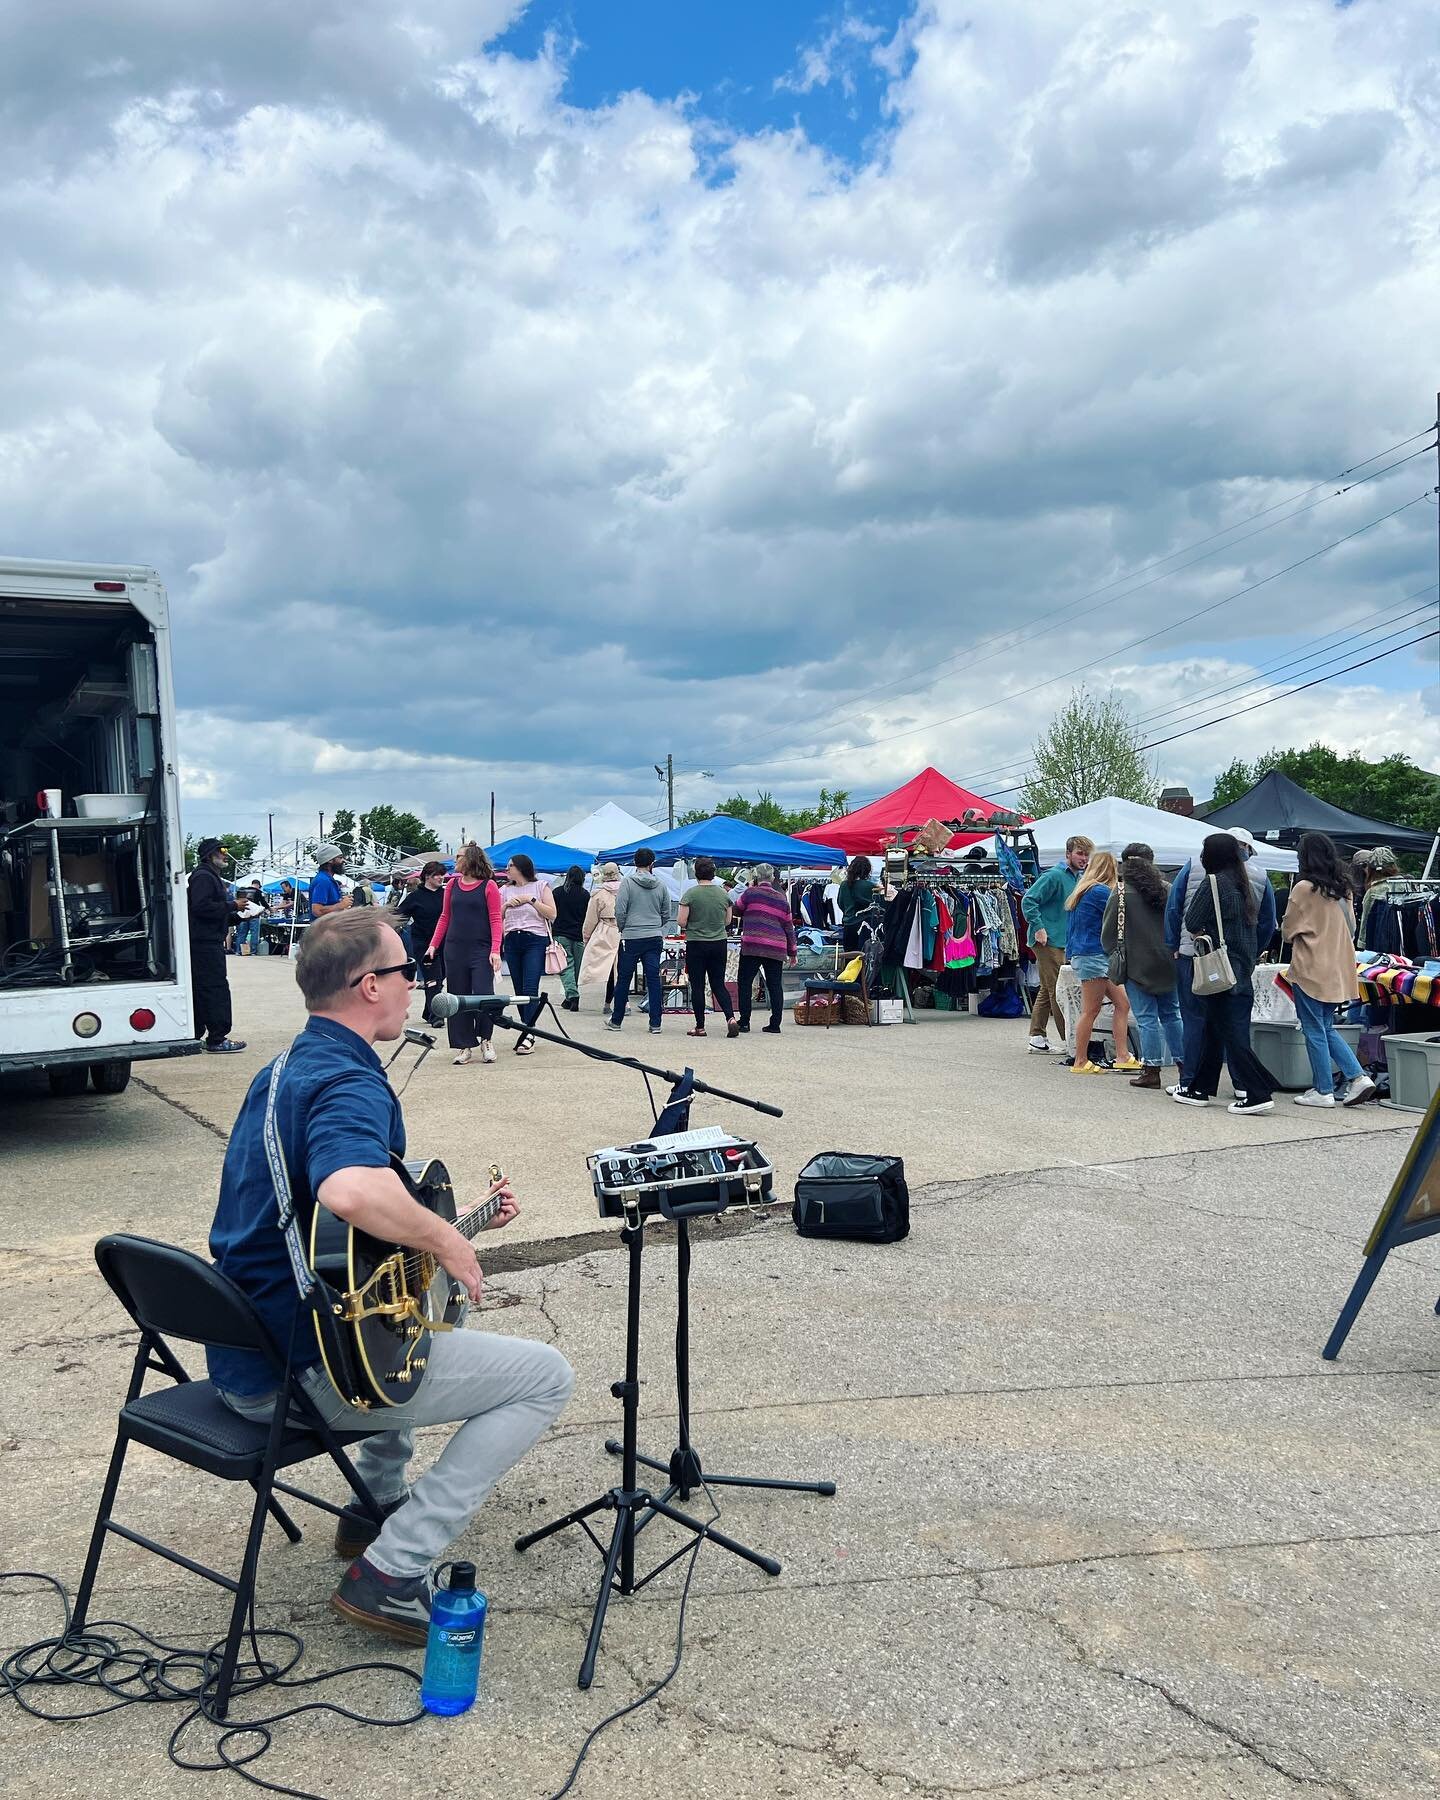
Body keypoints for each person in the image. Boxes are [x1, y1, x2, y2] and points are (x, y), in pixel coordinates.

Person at [207, 908, 573, 1645]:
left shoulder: (284, 1067)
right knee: (546, 1378)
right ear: (370, 985)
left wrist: (454, 1221)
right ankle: (392, 1569)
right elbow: (348, 1191)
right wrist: (446, 1239)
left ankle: (371, 1501)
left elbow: (334, 1216)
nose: (417, 984)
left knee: (429, 1303)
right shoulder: (348, 1080)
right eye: (408, 971)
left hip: (244, 1355)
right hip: (301, 1374)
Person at [1165, 826, 1276, 1092]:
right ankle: (1240, 1084)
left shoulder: (1198, 871)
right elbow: (1266, 922)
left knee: (1196, 1020)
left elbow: (1177, 909)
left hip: (1200, 957)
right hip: (1239, 960)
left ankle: (1192, 1081)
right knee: (1234, 1024)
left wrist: (1174, 944)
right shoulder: (1259, 876)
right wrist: (1252, 951)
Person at [1283, 833, 1376, 1108]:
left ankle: (1323, 1088)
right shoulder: (1343, 888)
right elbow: (1352, 928)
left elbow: (1288, 931)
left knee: (1313, 1028)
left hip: (1311, 965)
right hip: (1338, 965)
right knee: (1324, 1027)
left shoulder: (1303, 888)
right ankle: (1357, 1077)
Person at [1102, 843, 1183, 1089]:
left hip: (1136, 963)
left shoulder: (1121, 893)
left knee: (1147, 1018)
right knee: (1172, 1015)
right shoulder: (1168, 889)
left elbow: (1108, 934)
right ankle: (1185, 1066)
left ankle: (1152, 1070)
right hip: (1169, 961)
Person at [427, 844, 504, 1066]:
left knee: (483, 994)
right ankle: (463, 1045)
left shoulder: (489, 886)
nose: (455, 861)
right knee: (457, 997)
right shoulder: (452, 884)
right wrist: (434, 945)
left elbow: (495, 919)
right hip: (455, 949)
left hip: (480, 949)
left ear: (470, 859)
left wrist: (495, 949)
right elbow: (445, 916)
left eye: (458, 857)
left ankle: (486, 1039)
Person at [1063, 851, 1137, 1074]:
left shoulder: (1082, 890)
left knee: (1121, 1004)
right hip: (1094, 956)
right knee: (1091, 1010)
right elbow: (1123, 914)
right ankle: (1080, 1060)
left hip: (1087, 955)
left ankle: (1122, 1055)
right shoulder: (1101, 892)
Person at [1020, 834, 1092, 1053]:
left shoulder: (1077, 877)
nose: (1084, 858)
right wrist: (1039, 927)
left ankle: (1037, 1036)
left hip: (1060, 939)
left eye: (1087, 854)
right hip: (1047, 939)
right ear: (1068, 854)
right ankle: (1071, 1042)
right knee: (1058, 990)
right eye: (1080, 853)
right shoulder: (1054, 875)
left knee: (1048, 988)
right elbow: (1028, 899)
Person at [607, 849, 675, 1034]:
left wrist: (623, 927)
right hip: (653, 935)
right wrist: (656, 926)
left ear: (634, 863)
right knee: (653, 980)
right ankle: (655, 1023)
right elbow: (667, 913)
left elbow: (620, 910)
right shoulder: (661, 885)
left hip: (631, 936)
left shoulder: (627, 883)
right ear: (652, 864)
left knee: (623, 979)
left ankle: (616, 1020)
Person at [187, 838, 246, 1053]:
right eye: (222, 850)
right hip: (204, 944)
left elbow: (212, 913)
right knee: (215, 988)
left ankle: (198, 1033)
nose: (225, 854)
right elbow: (201, 908)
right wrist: (232, 905)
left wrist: (238, 916)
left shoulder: (209, 875)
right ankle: (217, 1038)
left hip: (206, 941)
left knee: (205, 988)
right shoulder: (203, 876)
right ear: (210, 854)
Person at [499, 854, 556, 1052]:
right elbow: (496, 916)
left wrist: (530, 900)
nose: (507, 870)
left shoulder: (541, 886)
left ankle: (529, 1033)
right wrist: (507, 905)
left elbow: (552, 913)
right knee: (518, 989)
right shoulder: (504, 890)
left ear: (521, 867)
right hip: (512, 940)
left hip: (535, 939)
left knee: (530, 987)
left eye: (510, 866)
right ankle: (528, 1029)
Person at [678, 856, 738, 1038]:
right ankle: (731, 1017)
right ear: (713, 873)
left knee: (697, 985)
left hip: (697, 943)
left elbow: (681, 921)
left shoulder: (690, 894)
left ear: (696, 873)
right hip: (718, 942)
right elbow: (728, 921)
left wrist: (692, 925)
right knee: (718, 983)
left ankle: (700, 1026)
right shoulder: (724, 895)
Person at [734, 862, 797, 1034]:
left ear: (755, 877)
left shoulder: (750, 893)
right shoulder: (781, 899)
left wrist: (750, 887)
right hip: (776, 946)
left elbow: (736, 910)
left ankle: (744, 1022)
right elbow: (788, 926)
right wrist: (793, 952)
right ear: (773, 878)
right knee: (775, 985)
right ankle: (775, 1024)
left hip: (752, 945)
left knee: (745, 983)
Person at [396, 860, 447, 1023]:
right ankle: (436, 1015)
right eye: (436, 875)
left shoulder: (446, 894)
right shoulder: (415, 897)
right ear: (427, 876)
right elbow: (398, 915)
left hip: (444, 944)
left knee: (441, 976)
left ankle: (428, 1011)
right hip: (424, 945)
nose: (441, 878)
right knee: (433, 978)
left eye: (442, 874)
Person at [579, 864, 623, 1009]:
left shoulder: (598, 894)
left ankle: (608, 1002)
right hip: (624, 931)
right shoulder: (626, 890)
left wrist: (586, 938)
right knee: (623, 969)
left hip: (605, 931)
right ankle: (623, 1002)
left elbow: (590, 919)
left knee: (609, 970)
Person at [550, 867, 589, 1013]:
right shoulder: (585, 895)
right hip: (579, 936)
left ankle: (572, 996)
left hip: (561, 934)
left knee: (565, 967)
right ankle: (570, 997)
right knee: (577, 969)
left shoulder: (558, 892)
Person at [836, 855, 877, 952]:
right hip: (867, 925)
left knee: (850, 957)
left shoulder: (844, 885)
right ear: (867, 870)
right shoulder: (871, 886)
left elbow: (841, 903)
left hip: (849, 924)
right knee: (865, 956)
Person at [310, 845, 350, 918]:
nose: (343, 861)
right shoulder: (323, 881)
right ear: (330, 860)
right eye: (340, 857)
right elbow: (317, 910)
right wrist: (340, 905)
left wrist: (342, 903)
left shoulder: (329, 880)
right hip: (323, 928)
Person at [232, 883, 267, 957]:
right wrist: (269, 909)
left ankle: (238, 951)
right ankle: (253, 951)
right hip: (254, 915)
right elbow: (263, 903)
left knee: (241, 933)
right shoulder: (258, 892)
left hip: (243, 914)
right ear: (258, 885)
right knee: (254, 933)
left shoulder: (243, 890)